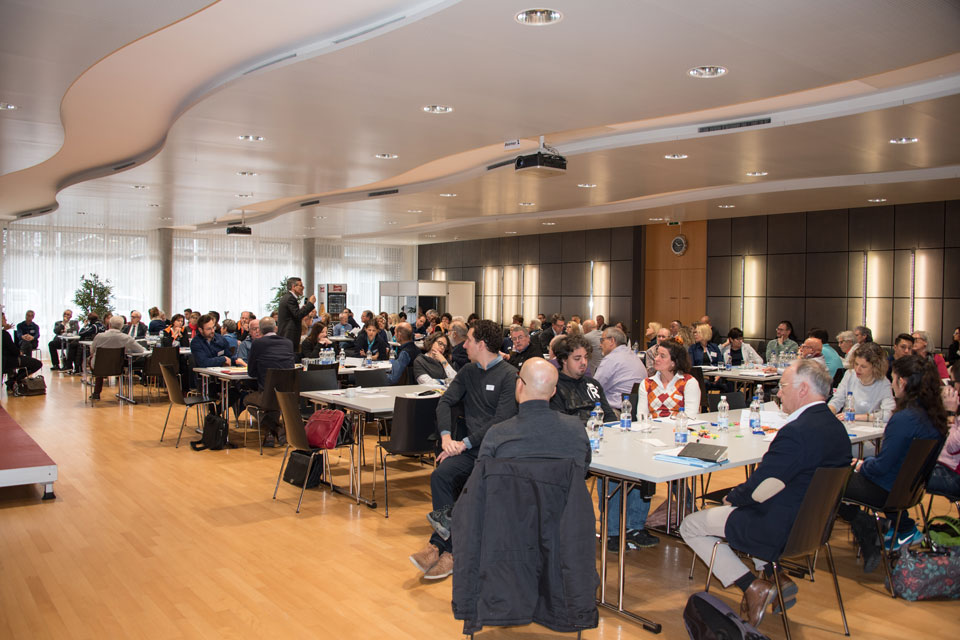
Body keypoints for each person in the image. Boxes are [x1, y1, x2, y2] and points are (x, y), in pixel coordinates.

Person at [680, 360, 851, 627]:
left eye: (783, 387)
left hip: (779, 528)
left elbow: (763, 486)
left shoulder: (797, 432)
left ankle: (752, 586)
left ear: (803, 389)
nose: (779, 393)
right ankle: (775, 575)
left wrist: (733, 497)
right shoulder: (836, 429)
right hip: (814, 527)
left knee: (690, 524)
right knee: (755, 504)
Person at [409, 319, 518, 580]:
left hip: (496, 453)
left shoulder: (509, 375)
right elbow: (445, 401)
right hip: (470, 449)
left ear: (481, 344)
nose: (463, 344)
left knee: (468, 486)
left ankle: (446, 549)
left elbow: (499, 422)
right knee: (441, 475)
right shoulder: (469, 371)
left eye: (468, 340)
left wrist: (462, 444)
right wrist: (447, 437)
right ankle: (444, 545)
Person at [838, 355, 948, 572]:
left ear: (903, 382)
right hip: (908, 489)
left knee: (822, 480)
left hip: (884, 488)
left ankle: (867, 525)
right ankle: (885, 525)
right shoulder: (933, 416)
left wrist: (861, 465)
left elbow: (881, 467)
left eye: (894, 378)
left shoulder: (904, 418)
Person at [243, 316, 296, 447]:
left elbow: (251, 372)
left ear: (260, 331)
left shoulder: (257, 344)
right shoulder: (288, 343)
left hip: (266, 395)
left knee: (247, 400)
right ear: (276, 328)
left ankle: (274, 429)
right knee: (274, 401)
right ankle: (274, 430)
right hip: (288, 395)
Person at [550, 334, 614, 423]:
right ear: (564, 360)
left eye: (586, 357)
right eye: (577, 358)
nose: (583, 362)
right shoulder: (554, 386)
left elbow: (610, 416)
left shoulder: (593, 384)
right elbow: (560, 422)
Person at [827, 342, 896, 421]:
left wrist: (856, 417)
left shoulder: (883, 383)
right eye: (856, 364)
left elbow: (888, 414)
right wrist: (828, 412)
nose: (857, 369)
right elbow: (837, 400)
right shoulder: (849, 374)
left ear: (875, 367)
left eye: (863, 366)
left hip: (870, 428)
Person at [638, 339, 701, 419]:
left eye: (662, 356)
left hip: (678, 429)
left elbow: (690, 416)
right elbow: (641, 416)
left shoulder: (689, 383)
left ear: (673, 362)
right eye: (657, 354)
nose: (656, 359)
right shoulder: (647, 383)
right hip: (653, 429)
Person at [88, 315, 146, 400]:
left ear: (109, 324)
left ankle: (96, 392)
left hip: (98, 367)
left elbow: (92, 351)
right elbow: (140, 350)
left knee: (98, 361)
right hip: (117, 367)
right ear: (122, 326)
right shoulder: (126, 338)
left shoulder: (99, 336)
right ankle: (123, 392)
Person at [925, 361, 960, 499]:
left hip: (953, 476)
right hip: (945, 466)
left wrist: (950, 414)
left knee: (903, 476)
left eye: (952, 382)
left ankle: (902, 521)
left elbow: (952, 446)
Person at [594, 327, 647, 411]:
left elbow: (594, 388)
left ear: (612, 341)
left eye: (602, 340)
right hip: (634, 410)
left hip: (615, 412)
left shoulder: (611, 359)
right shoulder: (634, 356)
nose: (600, 345)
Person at [3, 313, 42, 392]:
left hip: (31, 343)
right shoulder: (8, 332)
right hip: (11, 358)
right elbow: (18, 336)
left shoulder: (35, 326)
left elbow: (37, 335)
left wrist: (32, 337)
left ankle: (24, 359)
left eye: (31, 315)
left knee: (29, 345)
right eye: (4, 318)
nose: (6, 320)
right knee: (27, 345)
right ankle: (14, 380)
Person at [277, 277, 316, 351]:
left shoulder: (288, 297)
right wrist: (310, 304)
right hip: (289, 335)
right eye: (301, 286)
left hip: (288, 335)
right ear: (293, 287)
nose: (303, 288)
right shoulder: (290, 298)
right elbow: (298, 315)